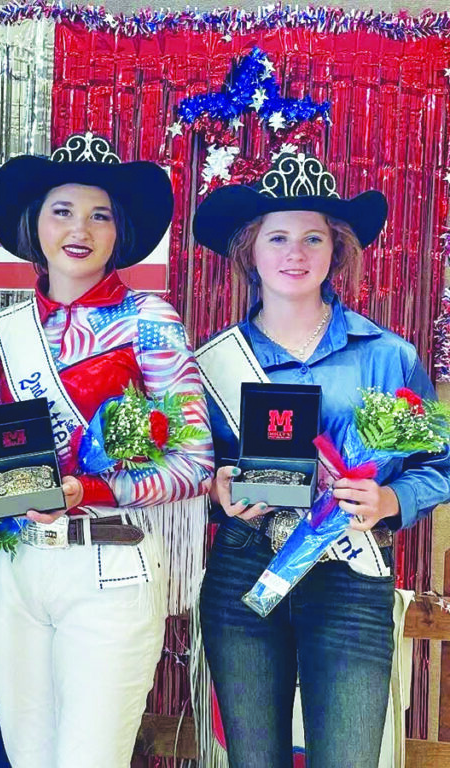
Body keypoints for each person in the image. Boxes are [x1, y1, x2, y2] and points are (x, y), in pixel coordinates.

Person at [193, 151, 450, 767]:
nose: (295, 252)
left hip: (351, 572)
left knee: (348, 757)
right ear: (249, 251)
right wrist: (218, 484)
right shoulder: (212, 362)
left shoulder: (386, 355)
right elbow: (193, 465)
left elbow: (437, 465)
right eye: (277, 237)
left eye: (314, 237)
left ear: (336, 251)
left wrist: (391, 499)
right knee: (254, 759)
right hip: (246, 566)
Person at [0, 132, 213, 767]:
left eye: (99, 214)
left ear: (119, 230)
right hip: (15, 568)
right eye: (62, 211)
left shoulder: (151, 321)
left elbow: (194, 465)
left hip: (111, 559)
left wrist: (88, 489)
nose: (80, 229)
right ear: (34, 225)